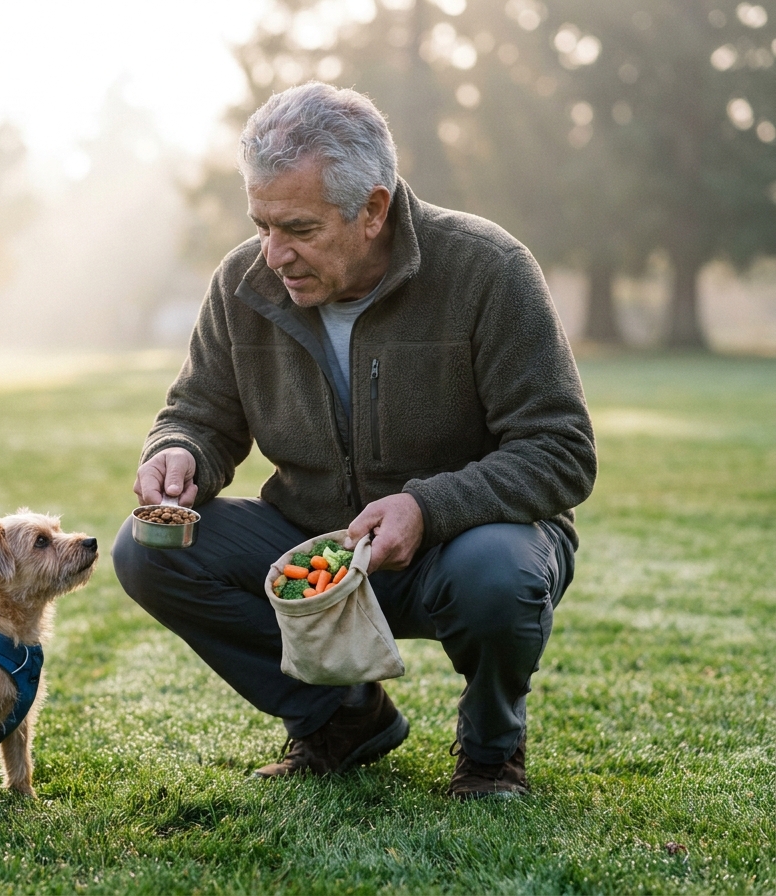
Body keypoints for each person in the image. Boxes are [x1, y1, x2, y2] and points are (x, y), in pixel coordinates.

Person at [111, 82, 596, 799]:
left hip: (456, 547)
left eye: (299, 229)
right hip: (314, 548)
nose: (273, 253)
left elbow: (560, 449)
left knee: (500, 571)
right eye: (262, 224)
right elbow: (200, 412)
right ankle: (341, 718)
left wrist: (426, 508)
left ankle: (492, 750)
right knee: (147, 551)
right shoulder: (241, 280)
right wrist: (177, 451)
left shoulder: (489, 269)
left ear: (373, 209)